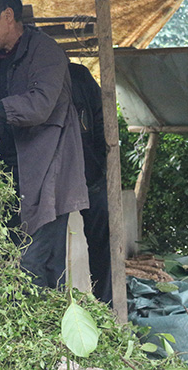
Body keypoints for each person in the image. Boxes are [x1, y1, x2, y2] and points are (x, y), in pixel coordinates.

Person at [0, 0, 89, 289]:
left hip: (47, 172)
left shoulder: (45, 51)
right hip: (16, 175)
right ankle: (50, 327)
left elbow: (40, 104)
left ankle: (41, 330)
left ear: (9, 16)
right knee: (34, 261)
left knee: (32, 261)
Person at [69, 62, 113, 304]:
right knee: (49, 250)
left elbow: (101, 118)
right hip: (53, 181)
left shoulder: (78, 76)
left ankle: (106, 304)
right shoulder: (28, 76)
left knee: (102, 243)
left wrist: (98, 165)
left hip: (90, 176)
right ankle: (53, 311)